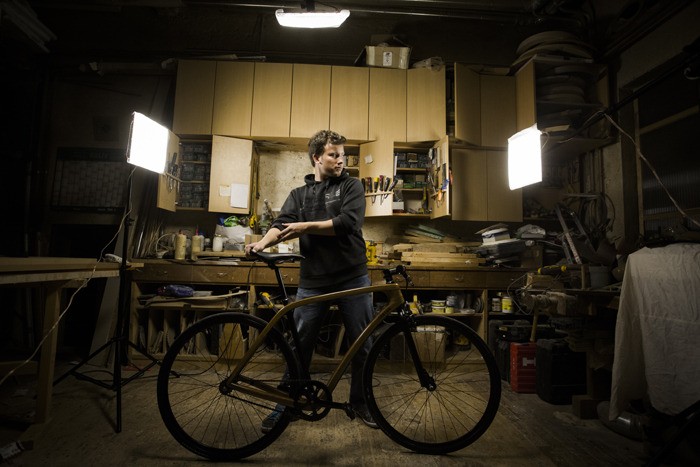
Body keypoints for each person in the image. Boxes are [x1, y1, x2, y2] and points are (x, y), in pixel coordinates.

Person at [245, 130, 378, 432]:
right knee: (299, 344)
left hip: (353, 277)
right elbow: (280, 225)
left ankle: (361, 402)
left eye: (343, 154)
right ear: (317, 157)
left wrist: (304, 227)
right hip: (314, 280)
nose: (341, 160)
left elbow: (348, 223)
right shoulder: (299, 195)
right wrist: (261, 244)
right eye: (334, 154)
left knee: (363, 343)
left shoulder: (352, 185)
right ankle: (286, 405)